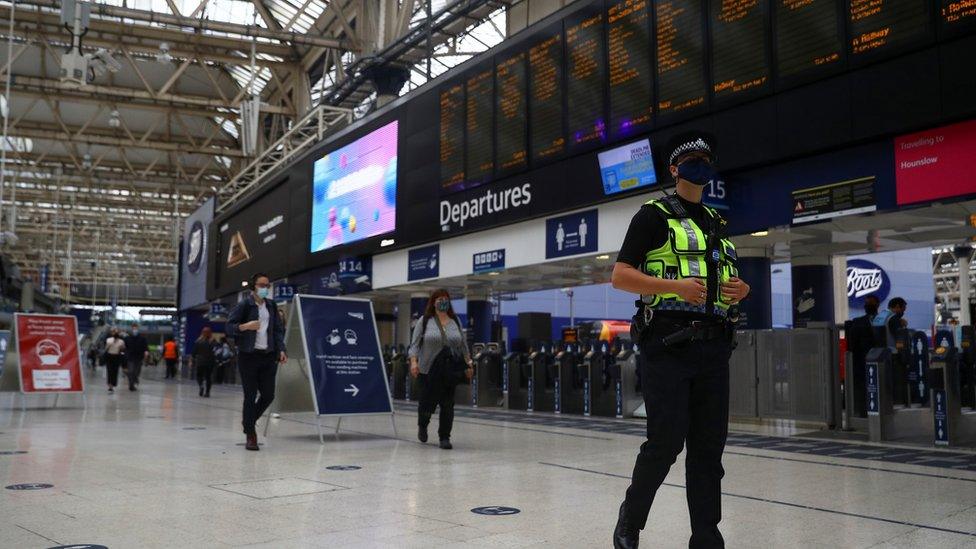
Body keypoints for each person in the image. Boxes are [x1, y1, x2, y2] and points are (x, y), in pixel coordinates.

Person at [611, 132, 750, 549]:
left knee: (709, 452)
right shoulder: (652, 215)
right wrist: (674, 288)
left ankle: (706, 538)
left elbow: (724, 279)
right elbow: (621, 276)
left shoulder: (716, 222)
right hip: (668, 345)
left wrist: (741, 290)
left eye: (705, 158)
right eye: (690, 159)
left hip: (714, 349)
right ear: (674, 170)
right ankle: (630, 521)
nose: (699, 164)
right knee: (666, 443)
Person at [226, 273, 287, 451]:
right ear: (253, 287)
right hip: (248, 356)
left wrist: (281, 349)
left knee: (268, 395)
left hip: (268, 356)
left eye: (267, 285)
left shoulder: (272, 305)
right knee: (250, 396)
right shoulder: (245, 305)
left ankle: (248, 421)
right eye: (261, 285)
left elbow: (277, 330)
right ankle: (251, 435)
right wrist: (245, 326)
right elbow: (229, 327)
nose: (265, 288)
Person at [408, 289, 474, 450]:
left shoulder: (455, 321)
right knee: (426, 403)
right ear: (433, 302)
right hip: (428, 369)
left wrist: (469, 363)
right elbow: (415, 345)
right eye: (439, 299)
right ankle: (423, 425)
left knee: (447, 404)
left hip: (449, 370)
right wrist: (414, 362)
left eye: (445, 299)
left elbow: (463, 345)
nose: (443, 301)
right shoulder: (424, 321)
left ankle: (444, 437)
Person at [191, 327, 217, 397]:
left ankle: (201, 385)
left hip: (200, 362)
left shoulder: (198, 341)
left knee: (199, 375)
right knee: (208, 377)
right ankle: (207, 392)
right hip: (210, 362)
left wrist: (192, 360)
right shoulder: (213, 341)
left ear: (202, 333)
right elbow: (216, 351)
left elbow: (194, 353)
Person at [123, 323, 149, 392]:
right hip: (130, 357)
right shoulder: (127, 338)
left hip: (139, 357)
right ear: (132, 329)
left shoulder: (142, 338)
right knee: (131, 371)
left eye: (136, 328)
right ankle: (131, 385)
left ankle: (135, 379)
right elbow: (124, 348)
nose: (135, 330)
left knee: (137, 372)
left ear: (138, 329)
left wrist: (146, 352)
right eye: (134, 328)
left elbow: (145, 347)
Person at [104, 328, 126, 393]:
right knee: (109, 371)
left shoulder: (121, 341)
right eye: (114, 332)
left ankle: (113, 384)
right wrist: (110, 344)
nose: (115, 333)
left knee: (115, 371)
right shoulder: (108, 340)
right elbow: (106, 348)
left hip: (117, 357)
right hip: (109, 356)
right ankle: (110, 386)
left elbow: (123, 349)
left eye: (116, 332)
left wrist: (121, 347)